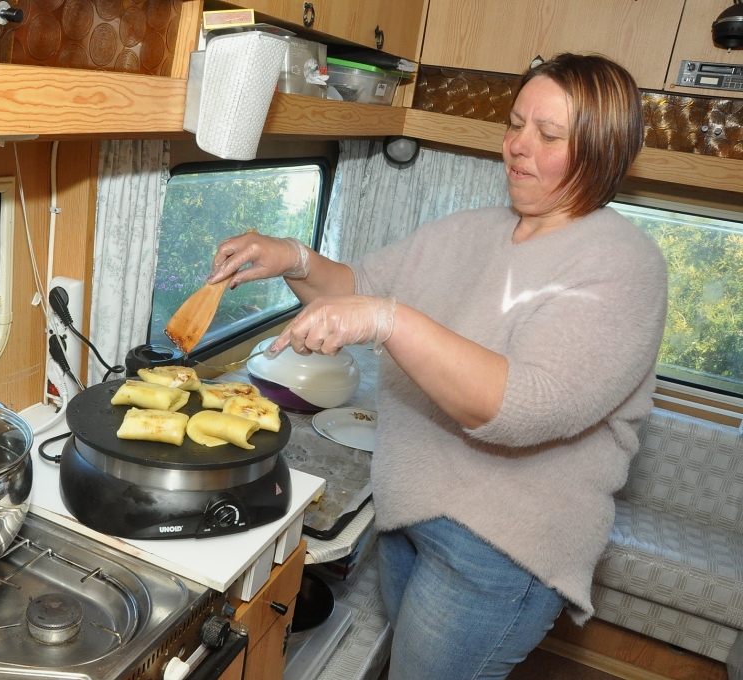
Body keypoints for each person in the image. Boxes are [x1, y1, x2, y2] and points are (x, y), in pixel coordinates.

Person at [206, 53, 668, 680]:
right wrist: (291, 257)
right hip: (410, 514)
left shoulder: (622, 264)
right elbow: (356, 288)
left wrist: (388, 320)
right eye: (514, 124)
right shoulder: (472, 230)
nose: (517, 147)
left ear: (603, 150)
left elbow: (518, 407)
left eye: (549, 135)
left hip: (500, 553)